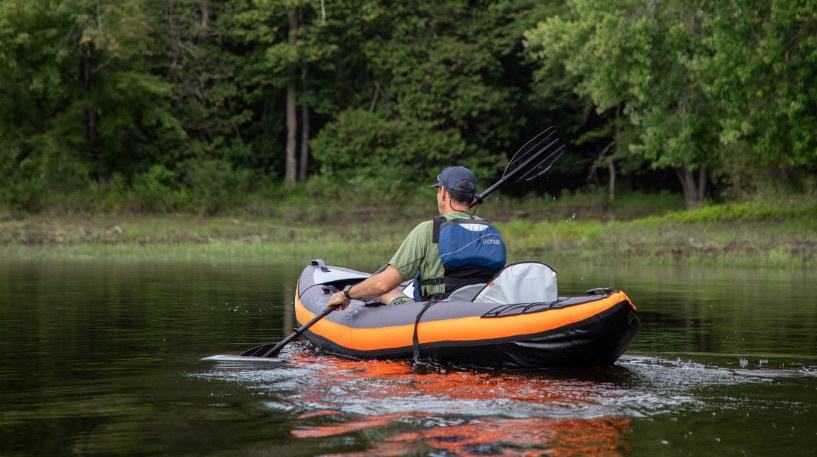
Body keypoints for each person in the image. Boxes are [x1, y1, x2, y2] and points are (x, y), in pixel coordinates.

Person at [326, 166, 507, 309]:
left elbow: (382, 284)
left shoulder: (428, 229)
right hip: (480, 311)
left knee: (387, 292)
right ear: (471, 198)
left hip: (438, 315)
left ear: (443, 192)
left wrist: (346, 293)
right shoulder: (490, 229)